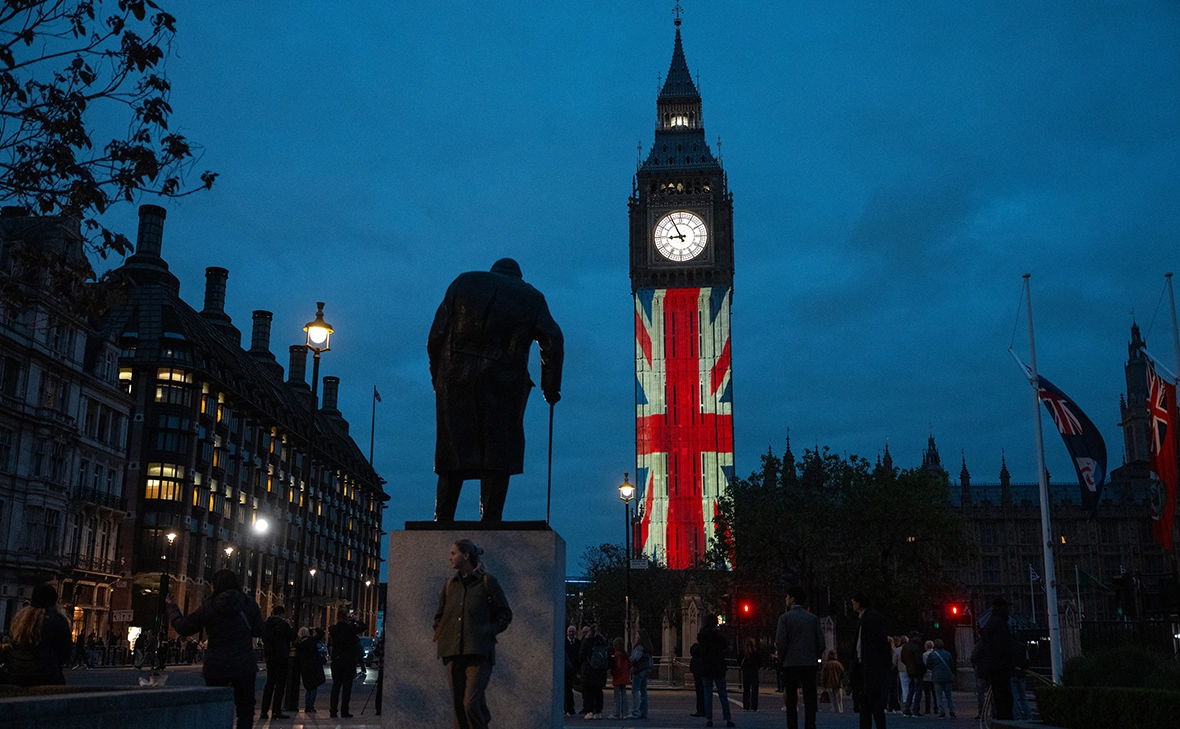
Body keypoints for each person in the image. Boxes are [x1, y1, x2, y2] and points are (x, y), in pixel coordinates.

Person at [428, 258, 564, 521]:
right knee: (498, 451)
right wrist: (550, 387)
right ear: (518, 277)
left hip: (455, 378)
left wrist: (439, 378)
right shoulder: (531, 296)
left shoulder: (463, 281)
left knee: (452, 450)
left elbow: (436, 336)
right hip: (504, 381)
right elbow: (553, 338)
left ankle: (442, 518)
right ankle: (490, 519)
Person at [166, 569, 265, 729]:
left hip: (217, 665)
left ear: (215, 586)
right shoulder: (248, 603)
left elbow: (184, 627)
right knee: (245, 710)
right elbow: (259, 630)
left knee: (216, 707)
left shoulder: (209, 606)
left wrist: (172, 609)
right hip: (244, 664)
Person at [433, 539, 513, 729]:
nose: (449, 558)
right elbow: (440, 615)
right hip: (452, 652)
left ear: (466, 555)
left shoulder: (487, 581)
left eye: (453, 553)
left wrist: (488, 631)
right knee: (458, 706)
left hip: (479, 652)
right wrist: (440, 632)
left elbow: (505, 613)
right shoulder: (449, 585)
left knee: (471, 702)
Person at [0, 583, 71, 686]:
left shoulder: (20, 620)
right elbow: (65, 653)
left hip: (16, 674)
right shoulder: (57, 620)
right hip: (46, 676)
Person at [776, 586, 826, 729]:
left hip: (790, 663)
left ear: (792, 599)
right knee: (810, 698)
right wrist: (813, 655)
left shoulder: (785, 618)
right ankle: (810, 725)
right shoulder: (813, 619)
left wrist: (783, 657)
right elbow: (821, 643)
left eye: (787, 597)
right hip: (809, 663)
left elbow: (781, 642)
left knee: (791, 700)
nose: (786, 600)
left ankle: (793, 726)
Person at [850, 593, 889, 729]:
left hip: (870, 667)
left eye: (854, 601)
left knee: (871, 704)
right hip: (869, 667)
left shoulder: (869, 619)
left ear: (859, 603)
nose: (852, 604)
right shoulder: (867, 618)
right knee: (869, 704)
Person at [977, 598, 1017, 720]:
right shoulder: (998, 623)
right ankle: (1005, 720)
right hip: (999, 667)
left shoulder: (993, 622)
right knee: (1004, 696)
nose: (1008, 610)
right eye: (1007, 607)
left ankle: (1003, 718)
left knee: (1001, 696)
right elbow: (1002, 646)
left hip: (996, 666)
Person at [260, 605, 296, 720]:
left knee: (269, 684)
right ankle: (276, 710)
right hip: (282, 656)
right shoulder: (283, 624)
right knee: (280, 685)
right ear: (281, 614)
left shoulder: (266, 624)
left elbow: (263, 637)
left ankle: (264, 711)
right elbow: (293, 636)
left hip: (270, 657)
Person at [697, 618, 735, 727]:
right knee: (723, 694)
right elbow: (725, 646)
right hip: (718, 667)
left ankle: (709, 718)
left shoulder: (703, 636)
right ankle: (728, 718)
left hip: (706, 667)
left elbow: (699, 643)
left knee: (707, 694)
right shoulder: (719, 637)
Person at [329, 609, 365, 719]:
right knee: (347, 688)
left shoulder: (333, 629)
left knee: (336, 686)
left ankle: (333, 711)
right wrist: (356, 620)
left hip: (336, 660)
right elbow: (364, 627)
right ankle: (344, 710)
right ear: (346, 618)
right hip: (349, 661)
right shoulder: (350, 629)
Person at [578, 623, 608, 719]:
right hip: (600, 670)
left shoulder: (586, 641)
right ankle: (598, 712)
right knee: (599, 692)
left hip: (588, 670)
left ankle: (589, 711)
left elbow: (581, 656)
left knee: (588, 692)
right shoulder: (602, 641)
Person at [295, 627, 327, 714]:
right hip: (313, 666)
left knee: (308, 687)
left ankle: (307, 706)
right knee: (313, 687)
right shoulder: (311, 641)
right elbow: (321, 633)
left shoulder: (298, 643)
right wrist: (314, 628)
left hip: (305, 667)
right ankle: (310, 706)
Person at [924, 638, 956, 719]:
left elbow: (929, 666)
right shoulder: (947, 654)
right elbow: (952, 665)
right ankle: (952, 711)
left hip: (937, 676)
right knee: (949, 694)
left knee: (939, 695)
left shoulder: (932, 655)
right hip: (947, 676)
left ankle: (942, 712)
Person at [629, 628, 654, 719]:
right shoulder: (648, 646)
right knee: (643, 691)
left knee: (635, 690)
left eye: (637, 634)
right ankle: (644, 711)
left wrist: (629, 660)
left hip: (639, 669)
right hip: (646, 669)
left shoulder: (639, 646)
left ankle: (636, 711)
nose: (636, 636)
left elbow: (636, 657)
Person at [900, 631, 925, 716]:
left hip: (910, 670)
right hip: (917, 671)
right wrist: (923, 669)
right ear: (914, 637)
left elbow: (902, 659)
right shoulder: (917, 647)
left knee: (911, 690)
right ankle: (916, 710)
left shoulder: (905, 647)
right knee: (918, 691)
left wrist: (909, 665)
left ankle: (907, 709)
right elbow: (919, 661)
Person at [607, 636, 631, 719]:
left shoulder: (617, 655)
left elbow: (618, 666)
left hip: (618, 677)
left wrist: (612, 672)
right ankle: (625, 713)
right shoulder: (625, 654)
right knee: (624, 695)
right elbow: (629, 664)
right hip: (624, 677)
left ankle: (616, 713)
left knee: (617, 696)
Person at [739, 638, 761, 711]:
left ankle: (746, 706)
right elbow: (760, 662)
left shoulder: (743, 652)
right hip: (754, 672)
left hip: (746, 672)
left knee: (746, 690)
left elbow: (738, 660)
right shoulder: (756, 652)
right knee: (754, 690)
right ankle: (754, 706)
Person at [564, 625, 580, 716]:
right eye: (570, 631)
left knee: (570, 689)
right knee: (566, 689)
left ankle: (570, 708)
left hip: (574, 669)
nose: (571, 633)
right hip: (565, 669)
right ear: (567, 632)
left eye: (573, 632)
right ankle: (567, 708)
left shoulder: (578, 642)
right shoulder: (563, 642)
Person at [920, 640, 938, 716]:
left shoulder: (924, 655)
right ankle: (936, 708)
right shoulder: (936, 654)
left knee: (927, 694)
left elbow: (924, 665)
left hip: (927, 675)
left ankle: (928, 709)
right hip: (935, 675)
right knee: (935, 693)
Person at [689, 641, 705, 717]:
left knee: (700, 692)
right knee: (703, 692)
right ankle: (704, 710)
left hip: (700, 671)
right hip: (702, 670)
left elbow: (693, 650)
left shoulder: (699, 649)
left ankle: (701, 710)